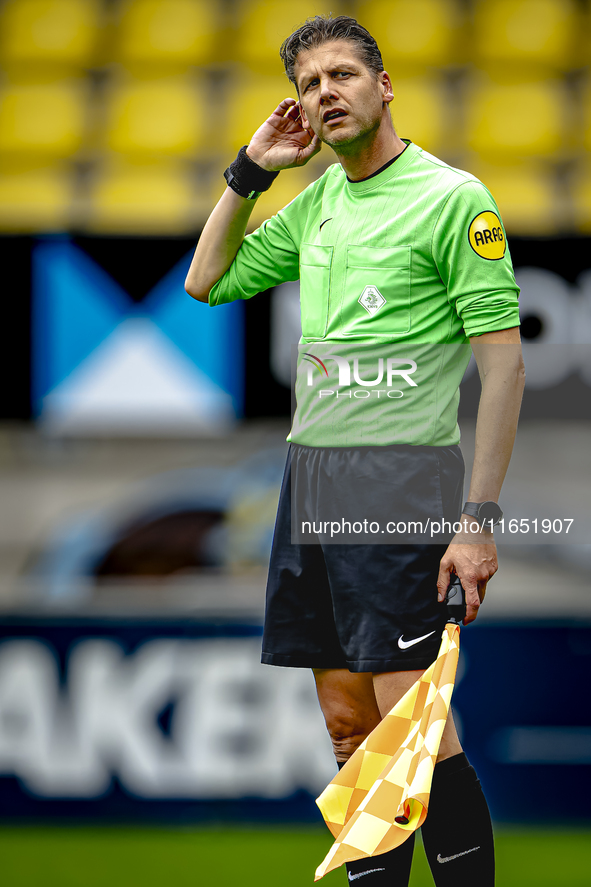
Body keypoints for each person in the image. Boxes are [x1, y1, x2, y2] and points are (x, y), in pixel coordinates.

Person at [185, 14, 525, 887]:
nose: (322, 93)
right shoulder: (317, 202)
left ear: (384, 86)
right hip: (310, 474)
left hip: (398, 476)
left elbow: (504, 367)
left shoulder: (453, 198)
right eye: (306, 83)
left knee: (412, 727)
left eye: (340, 74)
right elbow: (205, 279)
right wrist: (250, 172)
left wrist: (477, 520)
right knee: (349, 731)